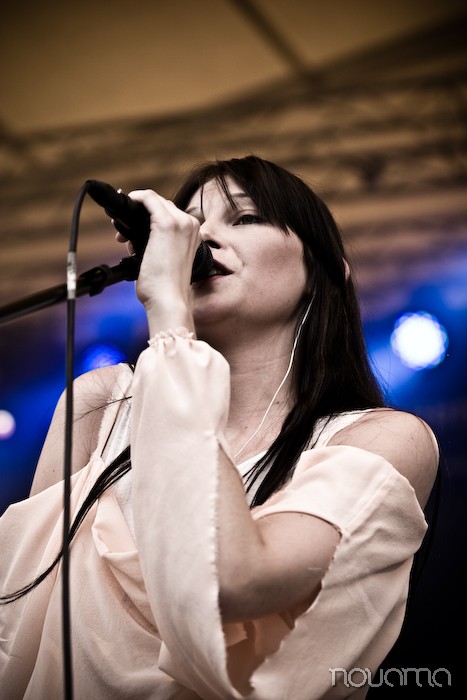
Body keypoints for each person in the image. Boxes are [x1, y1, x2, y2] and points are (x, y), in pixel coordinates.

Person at [0, 155, 438, 699]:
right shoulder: (97, 403)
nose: (201, 236)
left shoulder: (383, 439)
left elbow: (235, 581)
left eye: (245, 218)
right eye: (191, 222)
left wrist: (169, 319)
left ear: (327, 271)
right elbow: (18, 613)